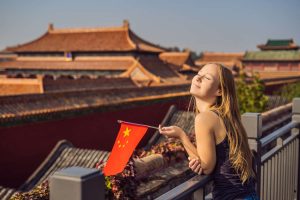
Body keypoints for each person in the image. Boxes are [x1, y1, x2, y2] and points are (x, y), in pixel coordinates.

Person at [158, 63, 259, 200]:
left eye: (207, 78)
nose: (198, 78)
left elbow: (206, 167)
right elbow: (206, 161)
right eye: (198, 74)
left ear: (219, 91)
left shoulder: (204, 118)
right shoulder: (226, 116)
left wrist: (182, 136)